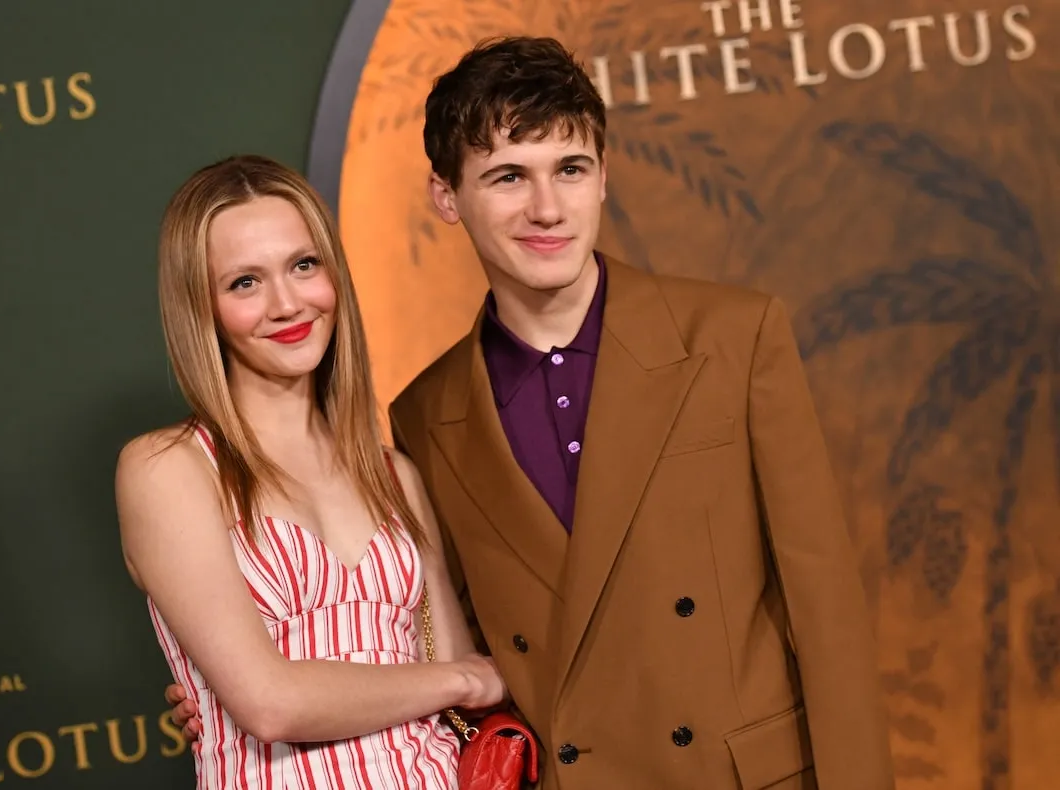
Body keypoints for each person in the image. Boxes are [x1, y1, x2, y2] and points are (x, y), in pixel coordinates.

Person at [168, 37, 896, 790]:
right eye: (509, 176)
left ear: (604, 176)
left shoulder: (733, 337)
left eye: (570, 170)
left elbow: (827, 609)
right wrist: (224, 683)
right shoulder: (426, 412)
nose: (547, 208)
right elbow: (448, 639)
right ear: (446, 197)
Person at [116, 153, 508, 789]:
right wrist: (465, 677)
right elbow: (271, 705)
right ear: (202, 307)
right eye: (244, 282)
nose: (287, 303)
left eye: (303, 265)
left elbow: (456, 680)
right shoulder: (169, 470)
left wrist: (462, 677)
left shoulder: (393, 476)